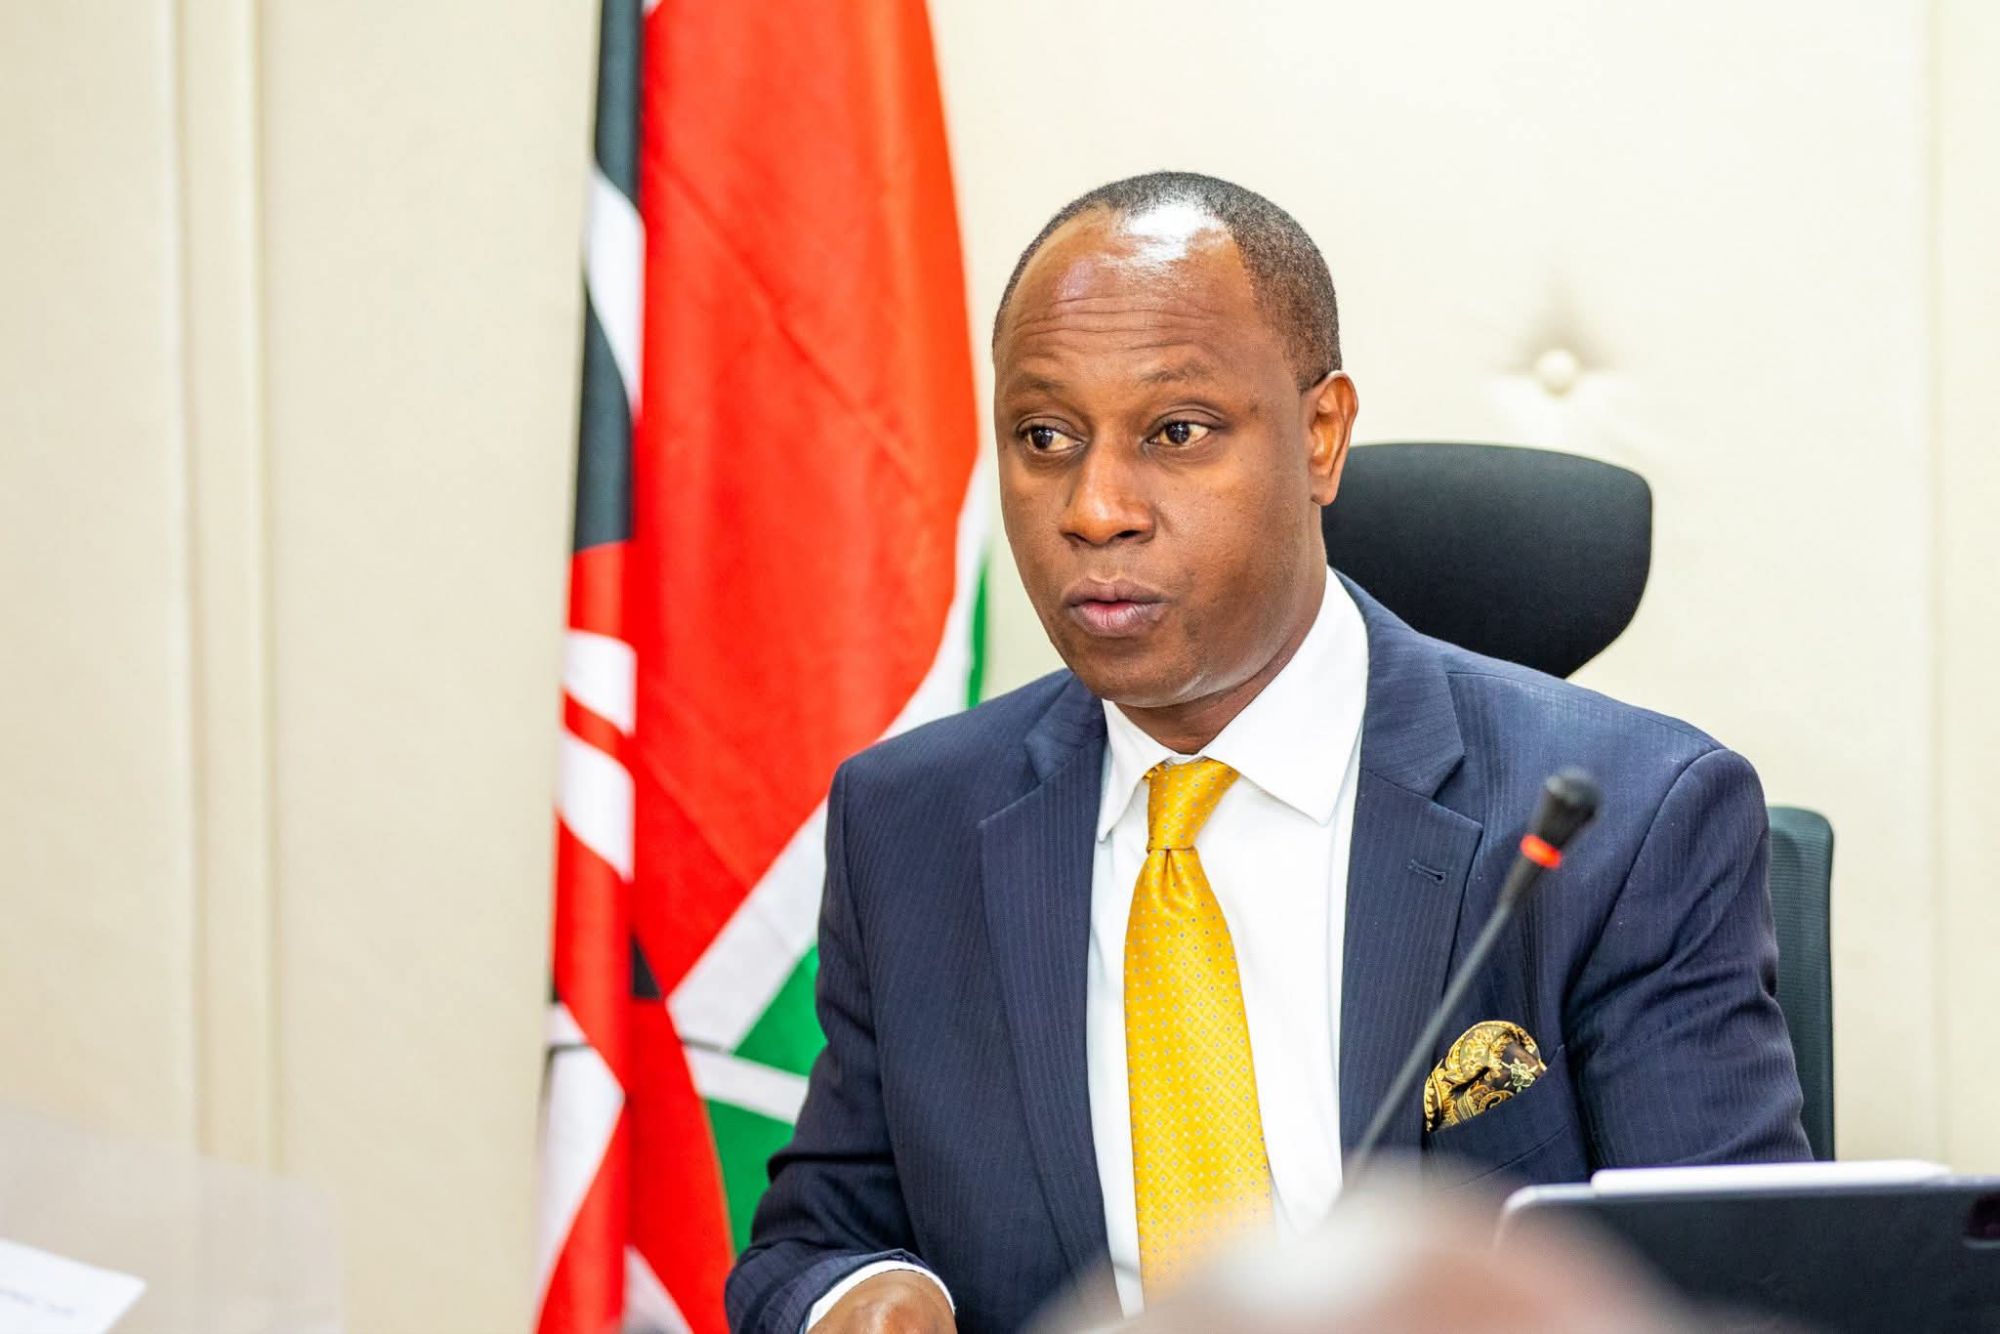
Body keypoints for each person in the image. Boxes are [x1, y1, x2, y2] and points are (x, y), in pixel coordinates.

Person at [725, 172, 1808, 1334]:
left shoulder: (1630, 823)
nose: (1094, 507)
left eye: (1175, 432)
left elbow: (1728, 1288)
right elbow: (814, 1234)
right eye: (1043, 436)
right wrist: (861, 1295)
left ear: (1320, 436)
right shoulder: (910, 821)